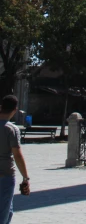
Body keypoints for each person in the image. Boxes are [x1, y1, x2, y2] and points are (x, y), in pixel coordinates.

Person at [0, 95, 30, 224]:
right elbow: (17, 155)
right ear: (15, 110)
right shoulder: (11, 129)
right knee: (3, 213)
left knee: (9, 211)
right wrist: (25, 177)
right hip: (5, 176)